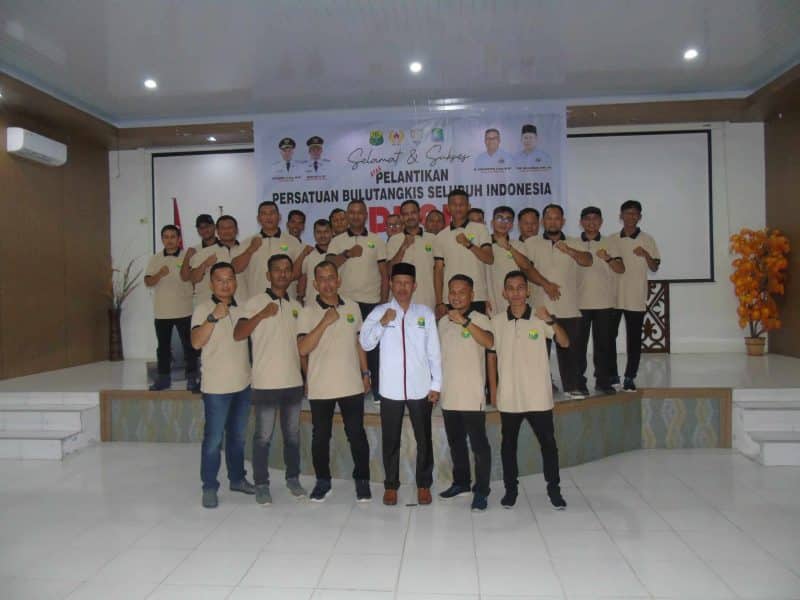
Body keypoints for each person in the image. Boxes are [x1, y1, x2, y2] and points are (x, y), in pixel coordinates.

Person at [360, 263, 441, 506]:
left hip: (420, 388)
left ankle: (423, 485)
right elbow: (365, 343)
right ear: (391, 285)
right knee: (391, 440)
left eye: (407, 283)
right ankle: (391, 486)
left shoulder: (425, 314)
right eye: (398, 283)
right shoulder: (380, 312)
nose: (402, 287)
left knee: (423, 439)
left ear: (414, 286)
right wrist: (383, 323)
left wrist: (436, 384)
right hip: (390, 390)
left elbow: (434, 352)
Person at [488, 270, 568, 510]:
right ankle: (511, 490)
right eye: (510, 288)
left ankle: (554, 489)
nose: (516, 293)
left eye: (520, 288)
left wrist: (550, 320)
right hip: (509, 396)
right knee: (508, 446)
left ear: (528, 291)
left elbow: (564, 342)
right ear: (504, 293)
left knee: (548, 444)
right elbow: (491, 356)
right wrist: (494, 390)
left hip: (538, 396)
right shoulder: (496, 322)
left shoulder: (539, 317)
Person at [232, 254, 305, 505]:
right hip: (265, 382)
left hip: (293, 382)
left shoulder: (297, 307)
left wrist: (307, 376)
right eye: (277, 269)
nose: (282, 274)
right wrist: (262, 314)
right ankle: (262, 484)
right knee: (263, 437)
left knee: (293, 436)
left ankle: (293, 479)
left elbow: (301, 347)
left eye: (287, 269)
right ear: (268, 275)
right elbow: (238, 333)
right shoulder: (254, 303)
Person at [297, 260, 372, 503]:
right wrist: (324, 322)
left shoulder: (353, 307)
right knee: (320, 437)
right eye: (322, 279)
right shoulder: (307, 312)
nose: (327, 283)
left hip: (351, 383)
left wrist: (365, 373)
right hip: (321, 385)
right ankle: (323, 481)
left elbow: (359, 343)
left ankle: (362, 480)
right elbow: (302, 348)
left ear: (338, 280)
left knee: (356, 435)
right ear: (315, 284)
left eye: (331, 278)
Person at [191, 262, 253, 508]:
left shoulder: (243, 307)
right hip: (216, 388)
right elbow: (196, 342)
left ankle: (237, 479)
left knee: (237, 438)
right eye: (220, 280)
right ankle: (209, 486)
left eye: (230, 279)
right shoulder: (202, 309)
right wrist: (213, 317)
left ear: (236, 282)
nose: (226, 285)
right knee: (214, 440)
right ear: (211, 284)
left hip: (243, 385)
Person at [522, 204, 593, 399]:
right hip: (539, 308)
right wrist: (546, 285)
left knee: (569, 351)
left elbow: (588, 260)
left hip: (568, 307)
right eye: (549, 218)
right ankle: (539, 389)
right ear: (543, 221)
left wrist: (569, 250)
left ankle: (572, 386)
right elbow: (526, 269)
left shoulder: (574, 242)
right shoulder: (531, 243)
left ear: (563, 221)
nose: (552, 222)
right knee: (537, 353)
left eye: (556, 218)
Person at [438, 274, 494, 512]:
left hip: (472, 395)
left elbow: (489, 342)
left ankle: (481, 490)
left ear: (472, 295)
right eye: (453, 292)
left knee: (479, 446)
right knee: (456, 443)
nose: (457, 296)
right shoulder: (442, 322)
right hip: (449, 394)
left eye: (462, 292)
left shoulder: (481, 319)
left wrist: (465, 322)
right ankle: (461, 483)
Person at [327, 199, 389, 396]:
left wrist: (383, 303)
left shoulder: (377, 240)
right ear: (347, 215)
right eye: (352, 212)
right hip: (345, 303)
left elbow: (384, 275)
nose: (355, 216)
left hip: (371, 302)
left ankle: (377, 390)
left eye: (360, 212)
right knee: (347, 347)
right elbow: (329, 265)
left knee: (373, 347)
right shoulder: (337, 241)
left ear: (366, 215)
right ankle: (351, 389)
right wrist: (347, 254)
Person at [609, 200, 660, 392]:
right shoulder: (612, 239)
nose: (631, 217)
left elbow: (654, 267)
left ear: (639, 217)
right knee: (608, 338)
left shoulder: (647, 239)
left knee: (634, 340)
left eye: (634, 213)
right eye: (627, 213)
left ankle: (630, 377)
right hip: (613, 297)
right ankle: (612, 376)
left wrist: (646, 254)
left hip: (636, 297)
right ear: (620, 216)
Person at [577, 207, 625, 396]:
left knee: (604, 346)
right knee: (579, 346)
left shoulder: (610, 243)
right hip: (579, 303)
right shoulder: (573, 243)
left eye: (595, 218)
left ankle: (603, 381)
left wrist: (608, 258)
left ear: (601, 221)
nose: (591, 222)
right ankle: (579, 382)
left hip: (605, 303)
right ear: (581, 222)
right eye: (587, 219)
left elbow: (620, 269)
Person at [145, 225, 198, 392]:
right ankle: (163, 379)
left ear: (179, 239)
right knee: (163, 348)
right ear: (162, 239)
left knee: (189, 347)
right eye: (166, 237)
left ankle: (192, 379)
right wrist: (159, 274)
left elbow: (193, 278)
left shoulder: (188, 256)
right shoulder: (155, 259)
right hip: (162, 312)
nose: (169, 240)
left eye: (173, 236)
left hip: (184, 309)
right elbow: (148, 282)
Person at [434, 189, 493, 319]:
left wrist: (469, 244)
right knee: (452, 332)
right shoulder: (441, 236)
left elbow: (489, 259)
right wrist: (439, 302)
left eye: (462, 204)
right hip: (451, 298)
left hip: (476, 296)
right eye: (454, 204)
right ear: (448, 208)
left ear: (468, 206)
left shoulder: (480, 229)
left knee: (478, 331)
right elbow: (438, 271)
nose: (458, 208)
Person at [232, 201, 302, 302]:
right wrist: (251, 249)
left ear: (279, 217)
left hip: (287, 300)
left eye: (272, 213)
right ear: (258, 218)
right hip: (256, 301)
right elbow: (235, 268)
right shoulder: (247, 242)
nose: (268, 217)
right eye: (264, 214)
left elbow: (299, 272)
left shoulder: (293, 242)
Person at [386, 199, 436, 310]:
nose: (410, 217)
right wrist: (403, 247)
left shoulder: (433, 239)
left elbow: (438, 272)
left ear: (419, 214)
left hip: (427, 300)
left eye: (413, 213)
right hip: (399, 301)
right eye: (406, 214)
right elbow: (389, 271)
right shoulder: (394, 240)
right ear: (401, 217)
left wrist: (439, 302)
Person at [189, 215, 248, 303]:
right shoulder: (204, 253)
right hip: (212, 305)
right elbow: (193, 278)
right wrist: (205, 264)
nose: (226, 231)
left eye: (230, 227)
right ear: (217, 231)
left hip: (242, 304)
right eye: (223, 228)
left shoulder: (246, 250)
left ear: (236, 230)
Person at [486, 206, 529, 315]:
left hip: (515, 299)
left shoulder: (518, 245)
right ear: (492, 222)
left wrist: (509, 247)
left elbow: (526, 266)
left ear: (512, 225)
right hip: (491, 300)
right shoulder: (483, 245)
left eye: (508, 219)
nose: (503, 222)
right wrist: (483, 298)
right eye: (499, 218)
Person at [297, 218, 334, 304]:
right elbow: (302, 278)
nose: (322, 235)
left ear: (332, 232)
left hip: (335, 305)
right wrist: (300, 297)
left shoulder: (339, 254)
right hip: (312, 305)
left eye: (326, 232)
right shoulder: (307, 255)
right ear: (314, 234)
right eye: (319, 232)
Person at [181, 214, 218, 284]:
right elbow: (184, 278)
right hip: (201, 291)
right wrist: (187, 258)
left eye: (207, 226)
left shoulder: (224, 246)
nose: (204, 230)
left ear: (214, 226)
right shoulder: (194, 250)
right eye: (201, 228)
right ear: (198, 230)